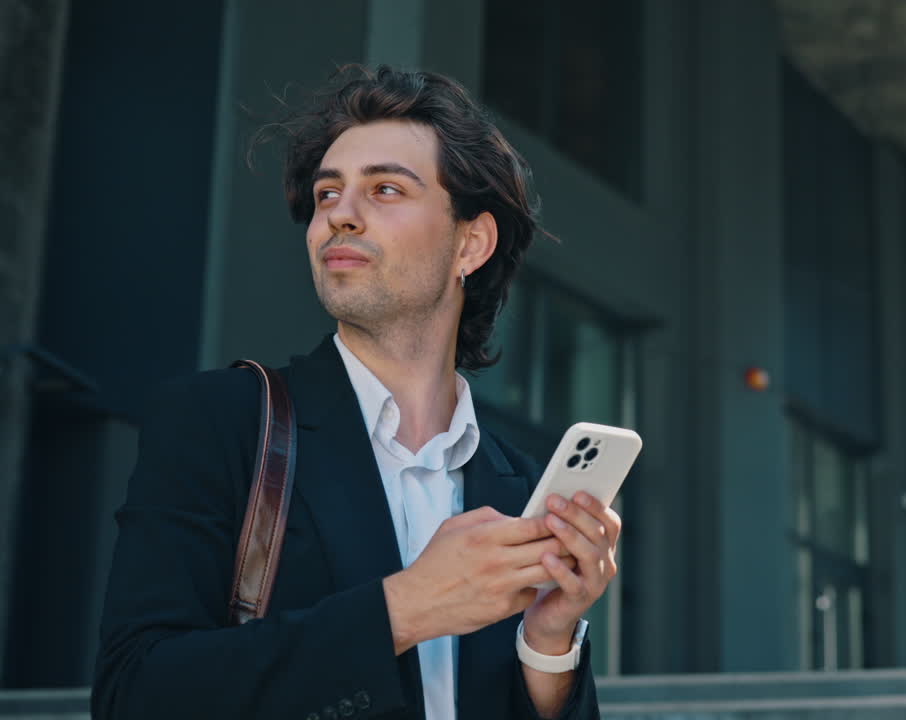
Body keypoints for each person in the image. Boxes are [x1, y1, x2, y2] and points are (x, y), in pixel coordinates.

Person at [92, 66, 618, 720]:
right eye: (327, 194)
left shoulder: (519, 493)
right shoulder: (220, 423)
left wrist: (548, 642)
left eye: (386, 189)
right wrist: (408, 607)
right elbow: (133, 695)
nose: (340, 213)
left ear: (471, 243)